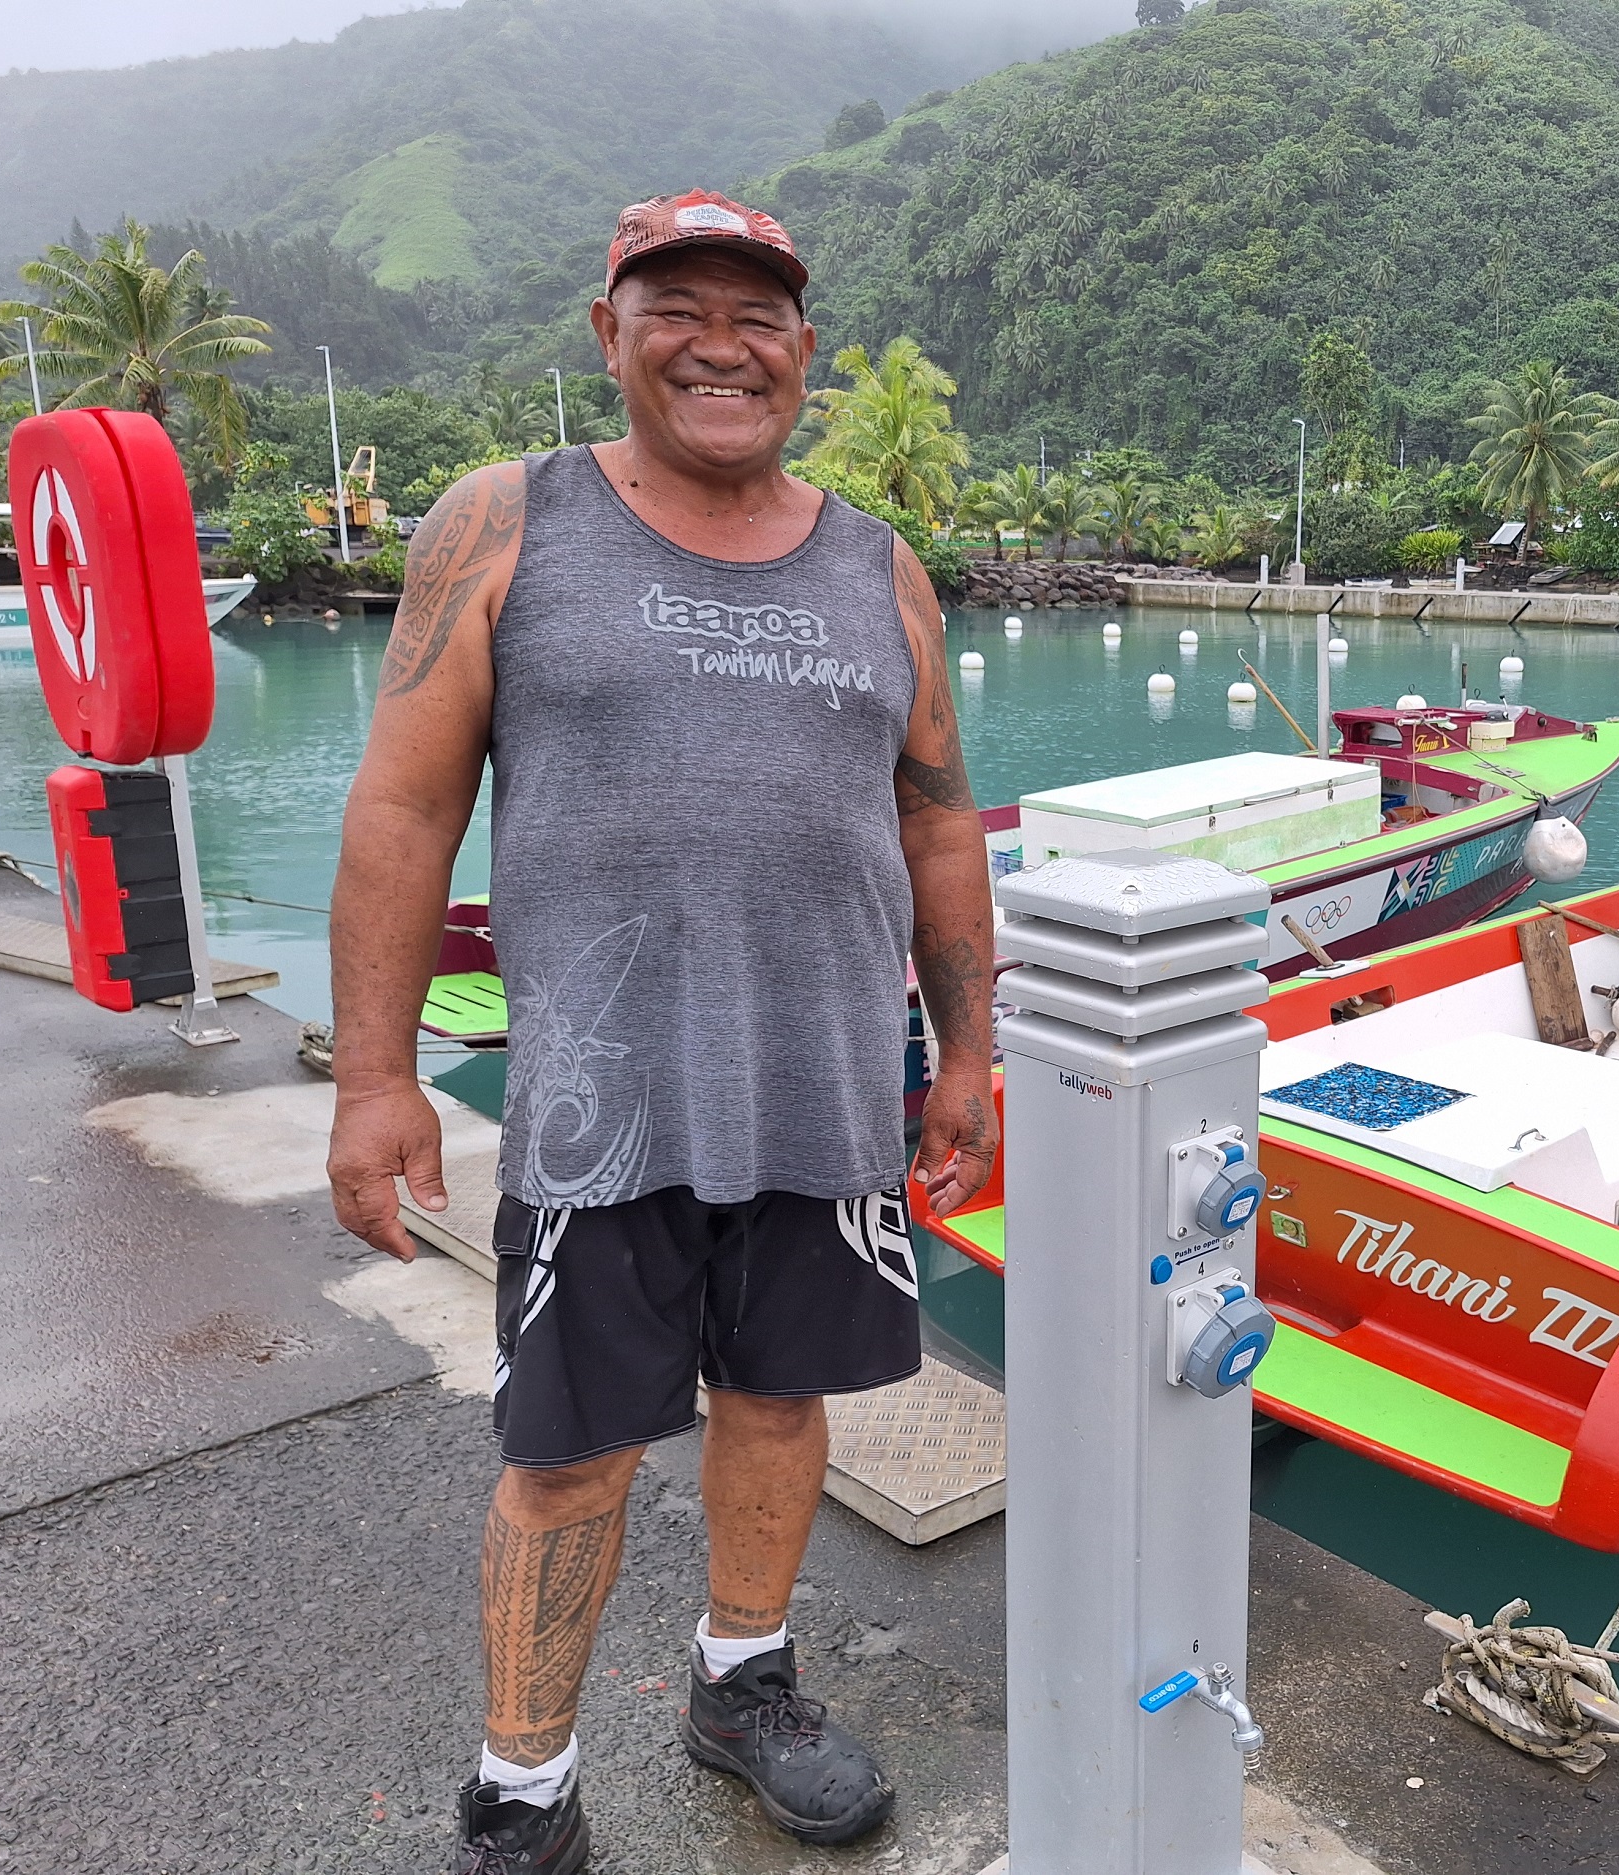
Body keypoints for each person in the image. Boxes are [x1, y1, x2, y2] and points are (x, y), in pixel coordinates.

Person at [326, 189, 997, 1874]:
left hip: (829, 1096)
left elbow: (938, 819)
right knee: (568, 1454)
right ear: (610, 333)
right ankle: (527, 1785)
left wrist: (968, 1055)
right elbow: (404, 813)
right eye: (676, 306)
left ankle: (742, 1681)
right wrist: (376, 1076)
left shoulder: (878, 563)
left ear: (805, 349)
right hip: (595, 1114)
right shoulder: (507, 523)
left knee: (781, 1405)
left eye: (758, 312)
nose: (722, 342)